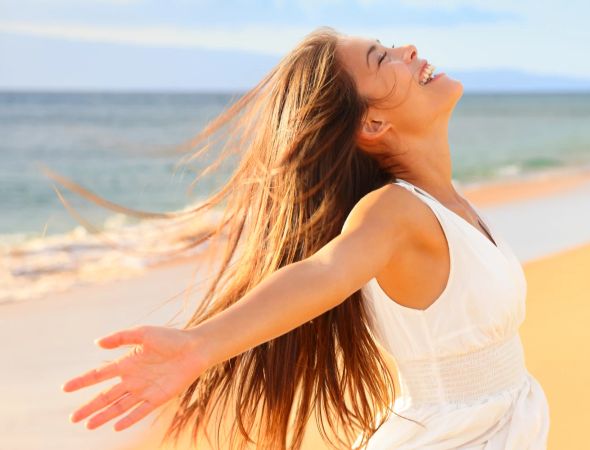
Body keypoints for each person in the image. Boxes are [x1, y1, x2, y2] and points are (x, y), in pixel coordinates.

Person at [60, 26, 550, 450]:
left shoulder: (447, 203)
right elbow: (325, 271)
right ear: (373, 123)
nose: (410, 50)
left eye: (391, 47)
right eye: (385, 58)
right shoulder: (396, 211)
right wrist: (200, 345)